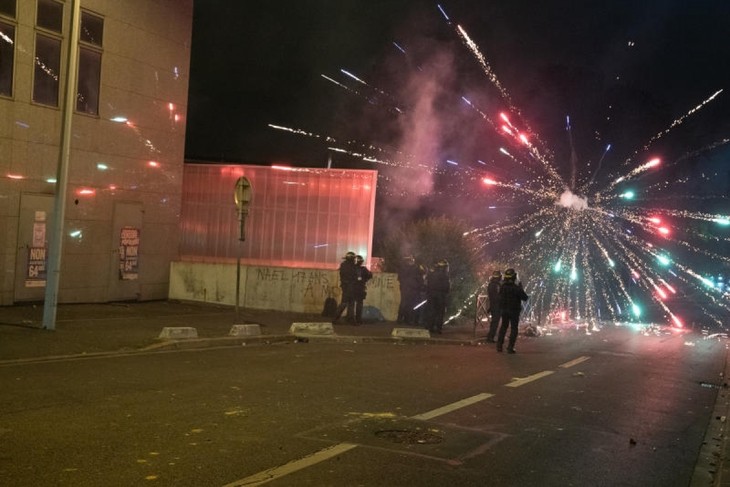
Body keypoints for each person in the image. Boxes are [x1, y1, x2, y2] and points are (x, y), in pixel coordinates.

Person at [497, 268, 529, 353]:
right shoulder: (516, 288)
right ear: (514, 277)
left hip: (504, 310)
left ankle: (499, 346)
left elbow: (500, 297)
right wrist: (521, 287)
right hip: (514, 311)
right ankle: (510, 348)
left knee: (503, 327)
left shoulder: (503, 287)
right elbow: (525, 297)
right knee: (514, 328)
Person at [397, 255, 424, 324]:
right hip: (411, 288)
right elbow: (422, 272)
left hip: (405, 288)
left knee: (404, 303)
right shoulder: (414, 268)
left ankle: (401, 319)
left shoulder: (402, 268)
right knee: (409, 304)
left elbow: (400, 278)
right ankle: (407, 319)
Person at [425, 259, 450, 334]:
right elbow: (447, 287)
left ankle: (430, 327)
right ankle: (438, 328)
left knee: (431, 311)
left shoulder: (432, 273)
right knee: (440, 313)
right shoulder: (445, 276)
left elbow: (427, 284)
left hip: (431, 295)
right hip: (441, 296)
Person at [333, 251, 357, 324]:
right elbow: (354, 275)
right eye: (353, 258)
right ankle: (337, 318)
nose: (355, 260)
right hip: (349, 286)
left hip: (347, 286)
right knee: (346, 303)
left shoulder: (344, 265)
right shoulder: (351, 266)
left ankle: (350, 319)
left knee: (349, 303)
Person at [352, 255, 373, 325]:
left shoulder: (352, 268)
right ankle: (358, 319)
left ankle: (351, 319)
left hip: (353, 288)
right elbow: (370, 275)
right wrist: (364, 280)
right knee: (359, 304)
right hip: (360, 288)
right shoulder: (363, 269)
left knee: (352, 304)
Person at [485, 270, 502, 343]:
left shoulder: (491, 284)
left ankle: (491, 336)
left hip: (493, 305)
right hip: (496, 306)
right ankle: (490, 337)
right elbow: (497, 297)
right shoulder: (496, 285)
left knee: (494, 322)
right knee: (495, 322)